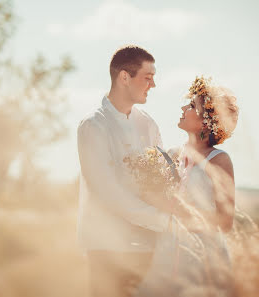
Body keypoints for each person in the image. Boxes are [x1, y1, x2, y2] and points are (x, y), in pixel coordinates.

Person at [76, 45, 171, 297]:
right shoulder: (93, 126)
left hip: (148, 247)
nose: (153, 85)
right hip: (108, 248)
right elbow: (106, 191)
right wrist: (162, 221)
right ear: (124, 77)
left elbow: (161, 182)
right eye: (147, 78)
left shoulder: (149, 125)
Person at [135, 76, 239, 296]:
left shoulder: (219, 160)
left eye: (192, 105)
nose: (183, 107)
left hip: (204, 256)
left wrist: (179, 209)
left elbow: (225, 222)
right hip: (167, 250)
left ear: (206, 121)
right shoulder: (172, 155)